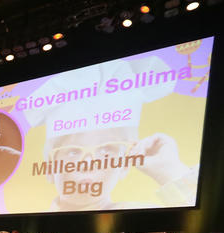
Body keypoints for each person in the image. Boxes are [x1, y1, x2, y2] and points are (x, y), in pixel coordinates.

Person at [24, 56, 198, 212]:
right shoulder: (30, 206)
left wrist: (169, 170)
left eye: (106, 150)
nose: (88, 163)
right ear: (49, 165)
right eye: (72, 151)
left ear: (124, 165)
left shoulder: (138, 211)